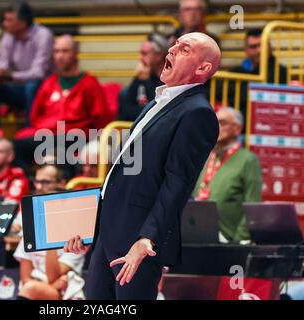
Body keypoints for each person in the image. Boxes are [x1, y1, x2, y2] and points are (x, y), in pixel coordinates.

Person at [64, 32, 221, 299]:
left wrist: (148, 238)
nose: (171, 49)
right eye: (175, 44)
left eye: (184, 49)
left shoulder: (197, 113)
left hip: (138, 239)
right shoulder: (154, 103)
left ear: (203, 68)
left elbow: (178, 183)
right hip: (108, 234)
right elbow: (120, 178)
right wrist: (90, 226)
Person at [13, 34, 110, 167]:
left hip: (76, 136)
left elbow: (101, 118)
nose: (60, 56)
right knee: (12, 148)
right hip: (47, 135)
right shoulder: (48, 83)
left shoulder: (89, 83)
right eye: (56, 51)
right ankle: (29, 182)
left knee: (31, 146)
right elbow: (35, 116)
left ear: (75, 53)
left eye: (65, 51)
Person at [14, 163, 85, 300]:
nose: (39, 187)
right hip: (35, 289)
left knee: (31, 288)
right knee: (30, 288)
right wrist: (51, 285)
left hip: (64, 295)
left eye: (45, 182)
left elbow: (53, 276)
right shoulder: (31, 233)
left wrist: (50, 241)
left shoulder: (75, 239)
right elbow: (25, 278)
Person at [194, 107, 262, 242]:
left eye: (222, 123)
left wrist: (238, 241)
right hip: (199, 236)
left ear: (237, 129)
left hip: (230, 241)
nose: (216, 127)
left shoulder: (248, 160)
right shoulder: (207, 158)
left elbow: (253, 204)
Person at [0, 1, 54, 127]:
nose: (4, 24)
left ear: (23, 22)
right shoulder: (8, 35)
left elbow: (38, 73)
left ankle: (29, 133)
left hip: (43, 89)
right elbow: (4, 64)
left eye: (9, 20)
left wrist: (10, 76)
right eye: (4, 20)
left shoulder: (43, 35)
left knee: (31, 87)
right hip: (18, 87)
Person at [220, 28, 288, 123]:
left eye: (261, 45)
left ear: (270, 47)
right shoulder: (236, 72)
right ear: (246, 50)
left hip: (265, 124)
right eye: (253, 47)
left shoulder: (279, 71)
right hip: (238, 126)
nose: (258, 50)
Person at [117, 33, 169, 122]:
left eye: (144, 54)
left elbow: (157, 111)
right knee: (123, 93)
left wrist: (147, 81)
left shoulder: (170, 79)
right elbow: (124, 113)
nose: (139, 58)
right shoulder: (142, 75)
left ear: (159, 55)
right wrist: (140, 79)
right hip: (136, 129)